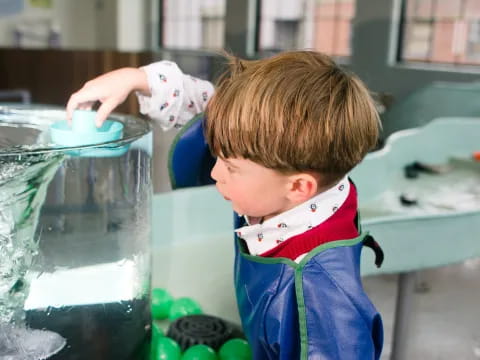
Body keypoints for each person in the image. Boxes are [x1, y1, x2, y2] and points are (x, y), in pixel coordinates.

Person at [67, 51, 384, 360]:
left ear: (299, 187)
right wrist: (135, 79)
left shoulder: (322, 306)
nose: (215, 172)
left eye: (231, 167)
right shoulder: (295, 172)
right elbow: (210, 104)